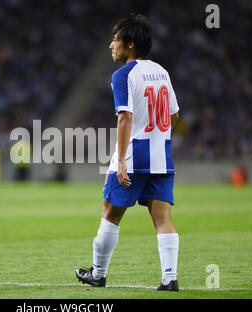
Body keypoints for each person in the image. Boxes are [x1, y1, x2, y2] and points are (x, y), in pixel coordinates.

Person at [75, 14, 181, 291]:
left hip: (135, 155)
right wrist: (158, 134)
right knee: (163, 219)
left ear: (130, 45)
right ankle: (170, 278)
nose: (111, 45)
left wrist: (121, 159)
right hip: (162, 155)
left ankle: (98, 274)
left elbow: (124, 117)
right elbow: (174, 114)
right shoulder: (162, 71)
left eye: (116, 39)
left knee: (110, 213)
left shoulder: (123, 75)